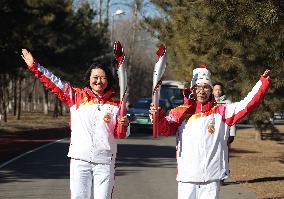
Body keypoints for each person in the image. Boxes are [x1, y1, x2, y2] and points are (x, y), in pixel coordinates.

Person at [21, 49, 129, 199]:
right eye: (95, 77)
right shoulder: (76, 96)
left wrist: (124, 125)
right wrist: (35, 67)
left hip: (104, 161)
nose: (99, 81)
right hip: (80, 160)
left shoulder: (116, 105)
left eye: (103, 78)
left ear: (108, 80)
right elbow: (54, 82)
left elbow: (120, 134)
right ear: (89, 78)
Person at [150, 65, 270, 199]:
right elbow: (165, 129)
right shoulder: (180, 112)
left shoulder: (222, 111)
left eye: (206, 87)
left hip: (211, 178)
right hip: (187, 177)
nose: (202, 91)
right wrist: (158, 117)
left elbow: (247, 104)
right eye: (198, 87)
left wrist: (261, 83)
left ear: (211, 90)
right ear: (192, 89)